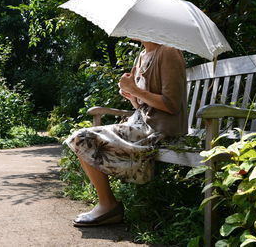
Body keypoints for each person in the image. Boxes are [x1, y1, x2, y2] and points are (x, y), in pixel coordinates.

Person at [64, 40, 188, 227]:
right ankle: (108, 204)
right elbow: (143, 106)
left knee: (82, 138)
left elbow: (171, 105)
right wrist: (132, 97)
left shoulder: (169, 51)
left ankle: (108, 206)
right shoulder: (142, 56)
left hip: (159, 130)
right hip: (139, 123)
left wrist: (135, 90)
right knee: (81, 137)